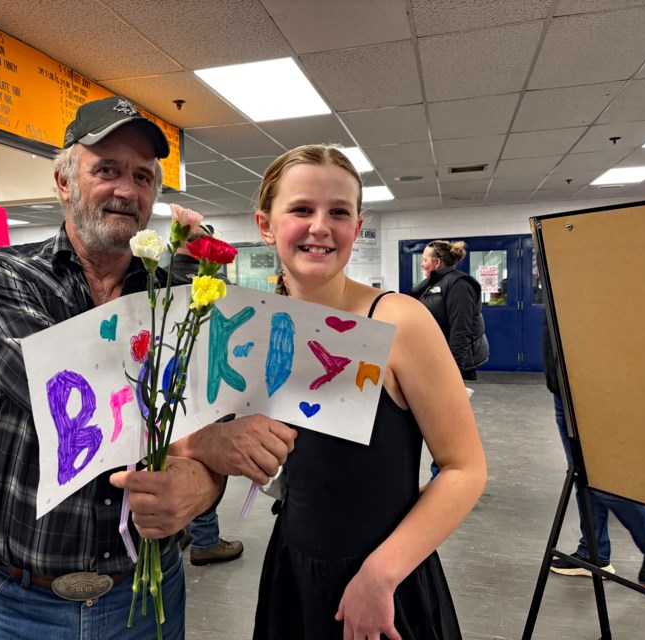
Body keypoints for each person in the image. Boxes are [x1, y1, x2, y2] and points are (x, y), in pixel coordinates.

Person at [0, 96, 296, 640]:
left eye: (142, 176)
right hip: (24, 604)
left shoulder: (181, 296)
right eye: (106, 169)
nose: (126, 189)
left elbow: (224, 416)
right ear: (65, 181)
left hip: (146, 598)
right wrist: (203, 444)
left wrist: (205, 487)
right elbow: (64, 394)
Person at [250, 144, 487, 639]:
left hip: (383, 583)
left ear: (357, 228)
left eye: (338, 212)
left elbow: (465, 469)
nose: (320, 226)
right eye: (300, 209)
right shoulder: (266, 327)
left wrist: (379, 577)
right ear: (265, 224)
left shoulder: (399, 321)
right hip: (292, 572)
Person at [542, 312, 645, 588]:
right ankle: (593, 552)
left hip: (590, 389)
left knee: (600, 477)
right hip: (563, 389)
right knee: (583, 477)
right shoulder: (563, 274)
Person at [170, 226, 244, 567]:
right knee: (208, 462)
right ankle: (205, 540)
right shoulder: (217, 288)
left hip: (167, 392)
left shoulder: (152, 282)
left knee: (170, 463)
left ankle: (184, 531)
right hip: (210, 391)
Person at [409, 239, 489, 481]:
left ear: (437, 261)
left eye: (425, 259)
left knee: (446, 427)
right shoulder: (430, 285)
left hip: (449, 366)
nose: (422, 263)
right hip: (430, 365)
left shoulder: (458, 285)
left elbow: (461, 331)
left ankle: (444, 478)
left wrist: (452, 373)